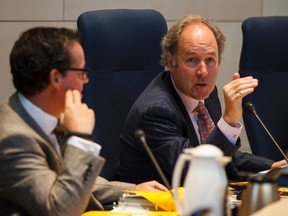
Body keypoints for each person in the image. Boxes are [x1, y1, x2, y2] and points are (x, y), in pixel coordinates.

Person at [0, 27, 167, 216]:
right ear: (56, 77)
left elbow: (69, 179)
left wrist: (133, 190)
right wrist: (80, 138)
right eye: (82, 72)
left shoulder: (42, 115)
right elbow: (62, 208)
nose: (85, 80)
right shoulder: (13, 138)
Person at [117, 14, 287, 185]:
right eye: (192, 60)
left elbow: (220, 154)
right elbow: (192, 172)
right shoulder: (156, 110)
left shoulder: (206, 91)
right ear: (171, 62)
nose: (203, 72)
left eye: (210, 60)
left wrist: (272, 167)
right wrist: (228, 121)